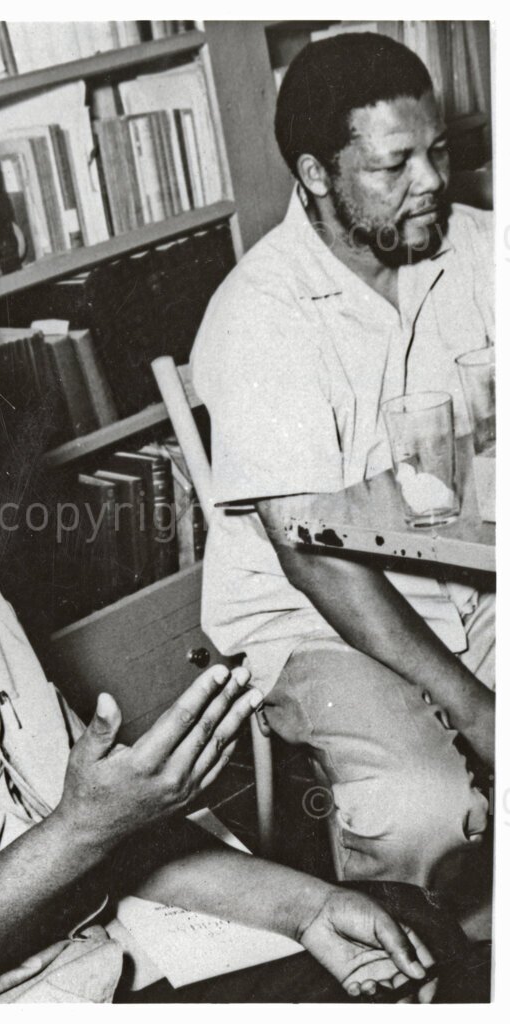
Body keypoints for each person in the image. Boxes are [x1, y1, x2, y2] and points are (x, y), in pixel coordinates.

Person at [0, 247, 442, 1005]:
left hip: (98, 963)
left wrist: (311, 909)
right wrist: (86, 828)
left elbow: (103, 831)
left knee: (411, 931)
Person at [191, 32, 494, 893]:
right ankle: (414, 962)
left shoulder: (477, 248)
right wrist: (475, 709)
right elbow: (313, 559)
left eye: (435, 152)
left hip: (476, 584)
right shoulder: (261, 316)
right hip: (317, 623)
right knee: (420, 803)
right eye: (394, 166)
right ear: (317, 175)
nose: (431, 181)